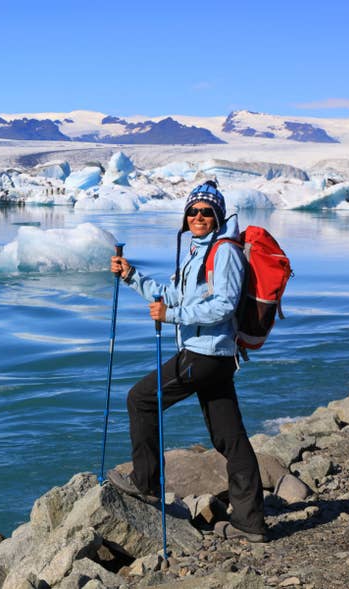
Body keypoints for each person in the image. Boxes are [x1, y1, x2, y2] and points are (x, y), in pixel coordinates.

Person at [108, 180, 268, 543]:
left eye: (206, 212)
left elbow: (224, 304)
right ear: (186, 216)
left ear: (217, 216)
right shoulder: (196, 250)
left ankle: (146, 484)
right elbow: (171, 295)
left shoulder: (224, 251)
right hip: (212, 355)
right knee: (229, 438)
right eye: (193, 211)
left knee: (141, 399)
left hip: (205, 354)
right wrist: (132, 276)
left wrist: (172, 316)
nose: (198, 217)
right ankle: (250, 522)